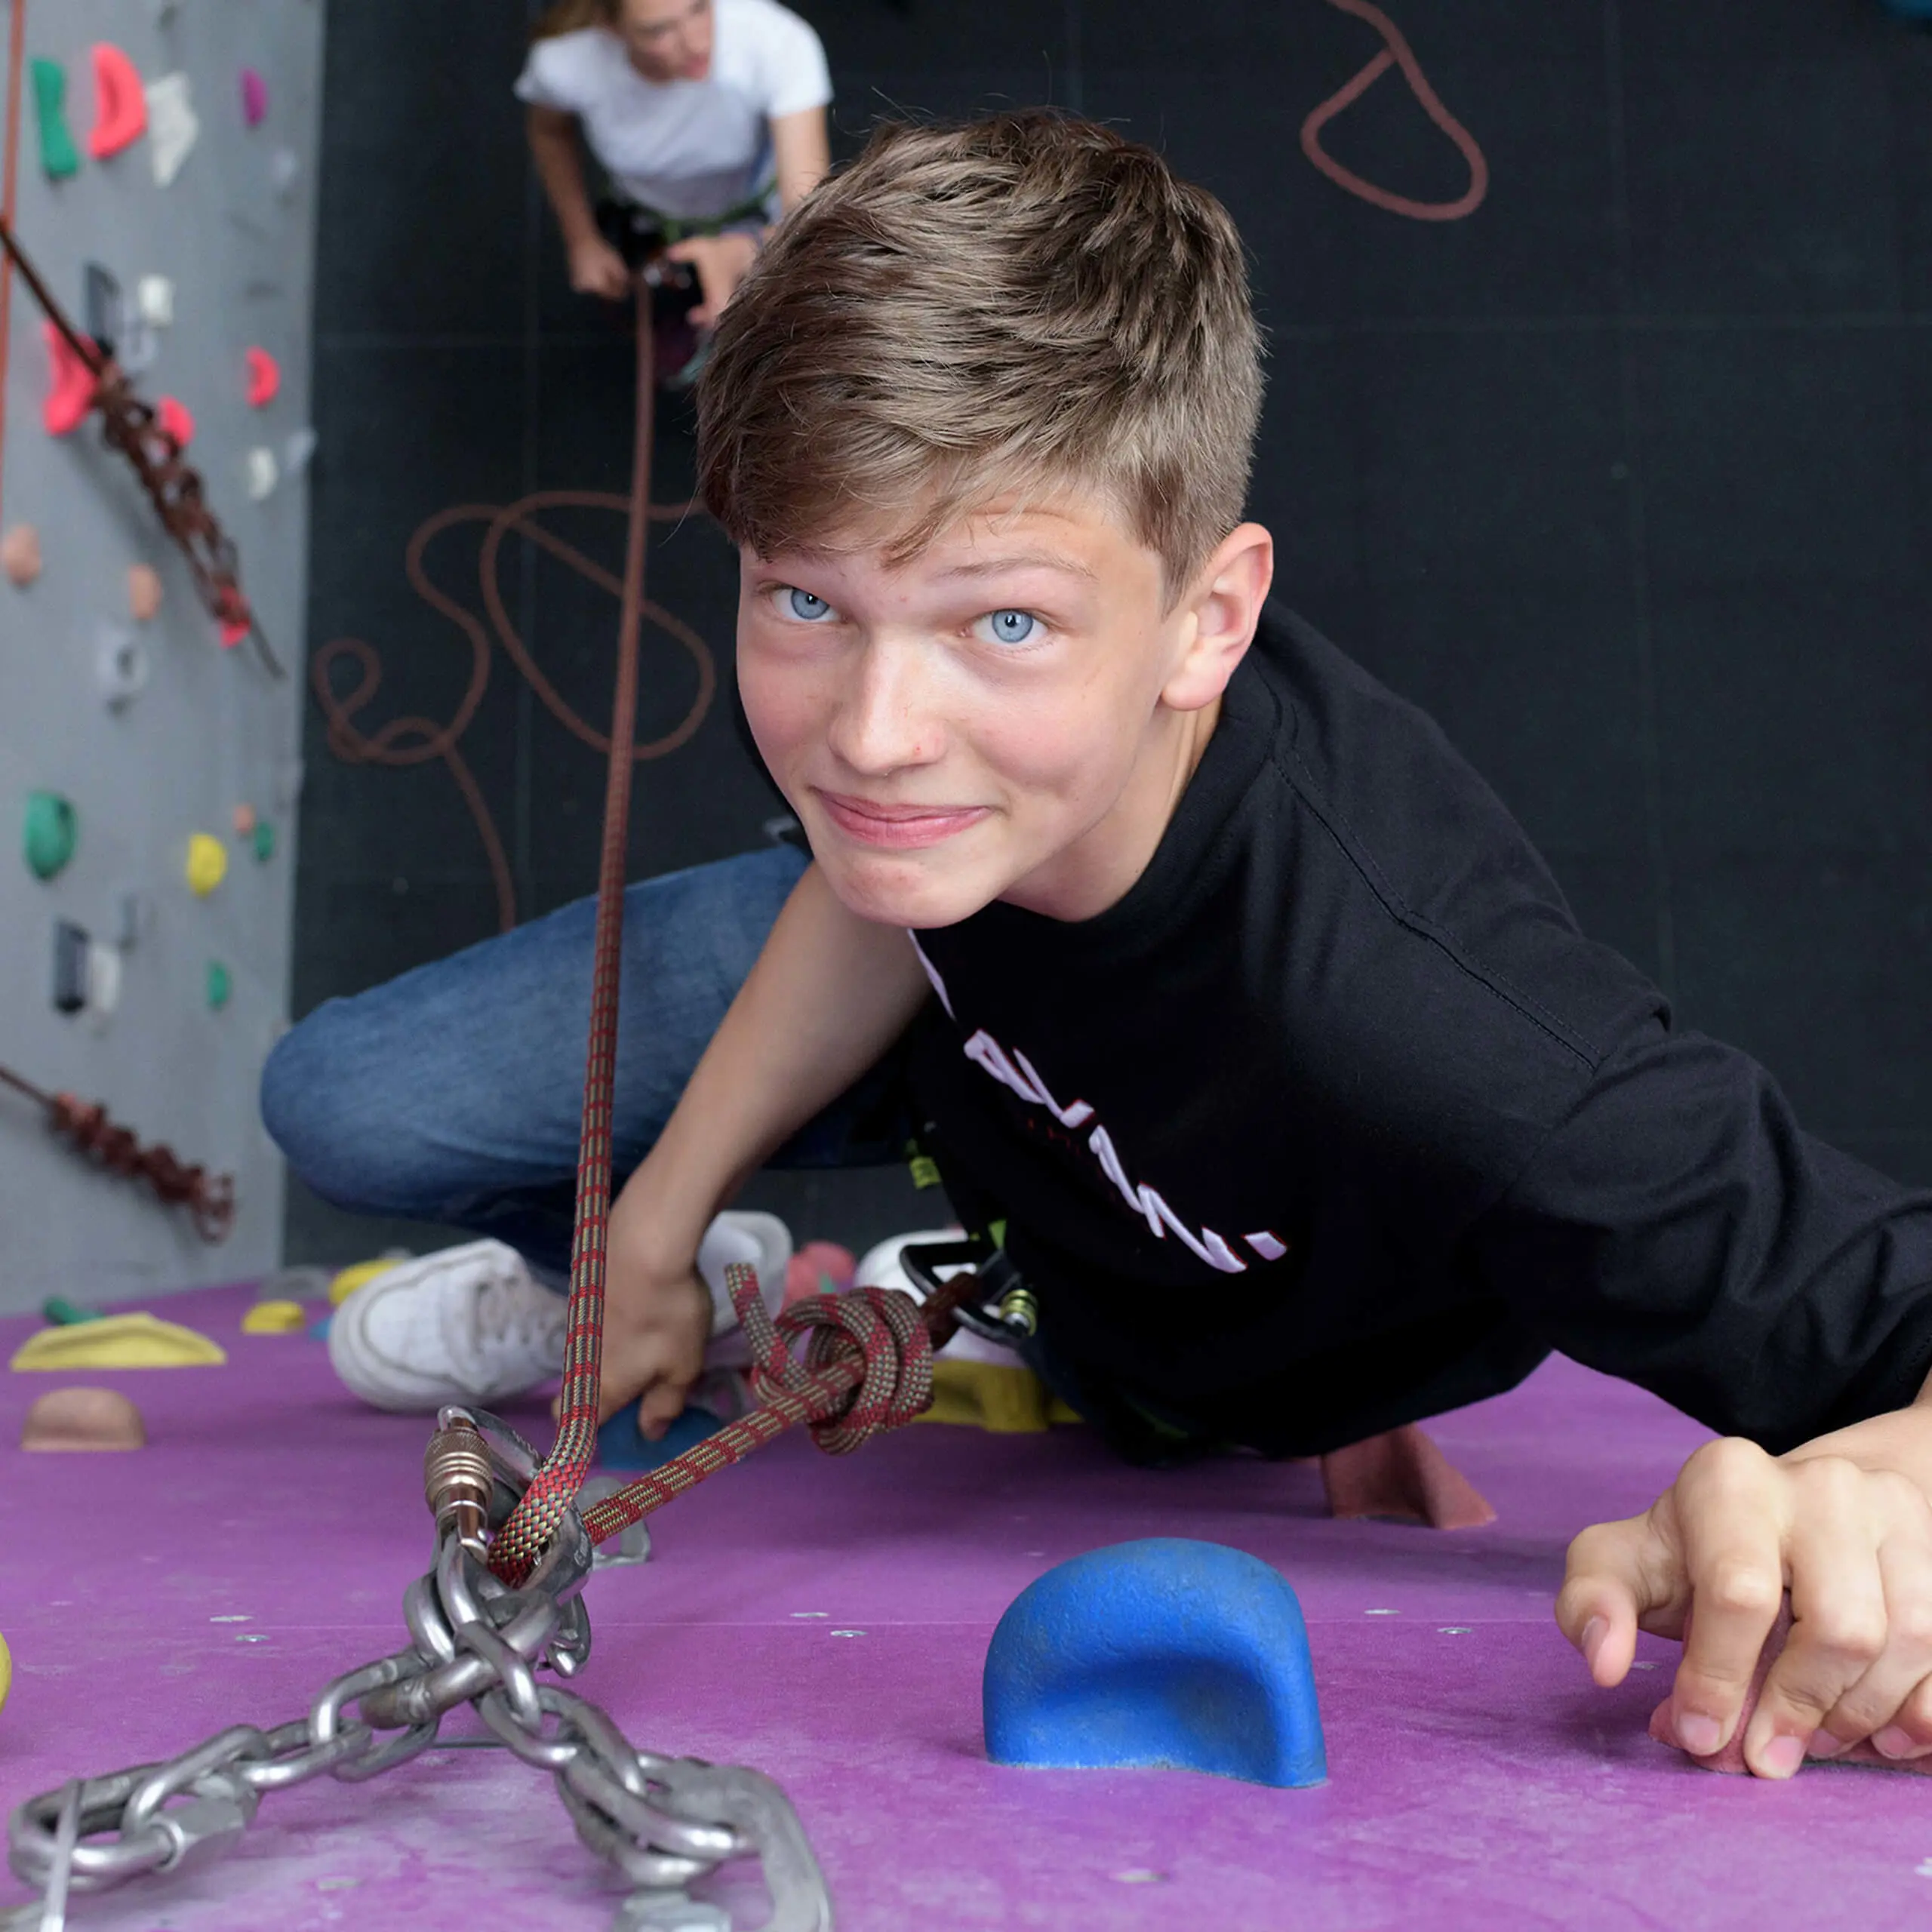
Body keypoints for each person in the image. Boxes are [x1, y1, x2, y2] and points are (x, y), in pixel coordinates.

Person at [265, 112, 1932, 1785]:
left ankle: (1013, 1324)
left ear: (1204, 621)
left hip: (1165, 1332)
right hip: (940, 1020)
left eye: (1004, 621)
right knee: (346, 1100)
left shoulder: (1437, 1042)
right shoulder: (940, 772)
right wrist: (657, 1211)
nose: (871, 729)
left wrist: (1877, 1506)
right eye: (801, 599)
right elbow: (878, 890)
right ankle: (714, 1277)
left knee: (1140, 1408)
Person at [517, 0, 831, 341]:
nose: (696, 43)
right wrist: (582, 240)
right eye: (659, 30)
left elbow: (804, 217)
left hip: (753, 205)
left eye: (699, 8)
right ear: (609, 26)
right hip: (646, 212)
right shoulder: (564, 64)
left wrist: (746, 249)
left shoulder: (778, 42)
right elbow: (550, 133)